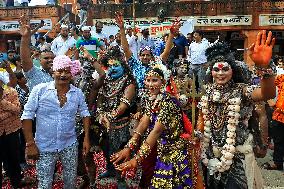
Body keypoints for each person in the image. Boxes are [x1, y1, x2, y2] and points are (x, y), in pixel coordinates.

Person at [198, 30, 275, 189]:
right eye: (216, 69)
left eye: (224, 69)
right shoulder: (207, 93)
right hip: (212, 157)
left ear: (232, 71)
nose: (220, 73)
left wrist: (265, 67)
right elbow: (202, 119)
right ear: (211, 72)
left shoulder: (242, 91)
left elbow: (267, 93)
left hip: (237, 158)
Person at [111, 64, 194, 188]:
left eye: (154, 80)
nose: (150, 84)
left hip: (173, 153)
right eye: (148, 80)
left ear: (163, 82)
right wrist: (129, 147)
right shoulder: (152, 99)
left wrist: (136, 159)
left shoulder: (168, 102)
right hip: (161, 149)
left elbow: (156, 131)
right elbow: (144, 122)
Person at [21, 55, 91, 188]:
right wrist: (30, 144)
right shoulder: (39, 90)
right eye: (60, 71)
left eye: (67, 71)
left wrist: (87, 138)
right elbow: (27, 116)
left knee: (70, 181)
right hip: (44, 146)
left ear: (72, 74)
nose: (63, 75)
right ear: (53, 72)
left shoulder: (77, 93)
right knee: (45, 183)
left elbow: (85, 114)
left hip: (69, 144)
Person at [96, 46, 136, 180]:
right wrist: (101, 113)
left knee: (119, 152)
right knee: (106, 149)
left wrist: (109, 116)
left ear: (123, 66)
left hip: (121, 125)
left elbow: (123, 105)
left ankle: (121, 180)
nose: (112, 69)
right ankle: (110, 170)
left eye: (116, 66)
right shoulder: (107, 80)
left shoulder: (129, 82)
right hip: (105, 124)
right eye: (110, 66)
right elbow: (100, 98)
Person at [0, 79, 32, 188]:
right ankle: (8, 174)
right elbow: (12, 111)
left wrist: (2, 102)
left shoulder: (11, 92)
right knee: (4, 158)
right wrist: (8, 114)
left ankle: (17, 181)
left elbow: (18, 110)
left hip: (12, 131)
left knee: (14, 157)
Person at [19, 15, 54, 91]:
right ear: (39, 60)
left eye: (52, 58)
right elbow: (25, 59)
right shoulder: (33, 72)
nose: (50, 60)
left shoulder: (61, 74)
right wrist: (25, 38)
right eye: (46, 58)